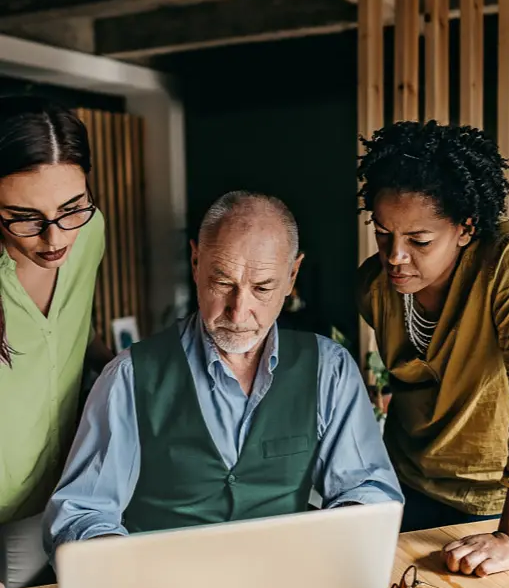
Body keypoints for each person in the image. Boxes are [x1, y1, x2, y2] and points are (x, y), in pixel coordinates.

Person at [43, 191, 402, 556]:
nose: (238, 310)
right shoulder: (128, 377)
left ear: (292, 275)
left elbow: (368, 490)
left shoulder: (330, 370)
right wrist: (113, 561)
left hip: (284, 585)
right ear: (196, 261)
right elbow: (81, 513)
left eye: (262, 288)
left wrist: (349, 529)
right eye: (223, 283)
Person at [356, 120, 509, 577]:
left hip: (488, 500)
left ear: (465, 228)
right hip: (402, 481)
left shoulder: (506, 265)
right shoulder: (375, 286)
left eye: (419, 241)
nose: (394, 256)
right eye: (382, 233)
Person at [0, 95, 112, 588]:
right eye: (24, 217)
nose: (54, 238)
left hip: (44, 494)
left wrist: (125, 370)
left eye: (72, 207)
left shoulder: (90, 236)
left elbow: (71, 331)